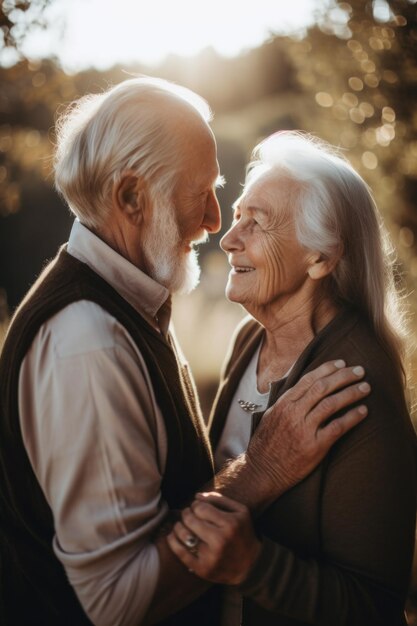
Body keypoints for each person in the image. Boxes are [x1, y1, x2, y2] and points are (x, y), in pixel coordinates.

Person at [0, 81, 370, 626]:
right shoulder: (89, 342)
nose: (216, 222)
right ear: (131, 197)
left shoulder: (130, 297)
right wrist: (260, 471)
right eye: (201, 192)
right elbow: (117, 604)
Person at [168, 131, 417, 626]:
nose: (228, 237)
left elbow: (374, 606)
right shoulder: (249, 338)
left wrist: (254, 566)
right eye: (238, 215)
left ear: (321, 257)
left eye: (257, 224)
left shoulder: (354, 386)